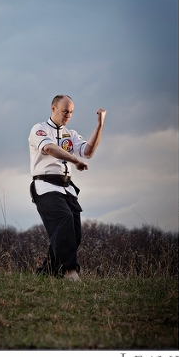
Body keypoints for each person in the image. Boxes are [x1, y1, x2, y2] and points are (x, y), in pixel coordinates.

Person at [29, 94, 107, 281]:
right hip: (46, 186)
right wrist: (74, 160)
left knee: (74, 231)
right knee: (63, 219)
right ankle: (69, 272)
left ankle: (48, 271)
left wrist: (100, 125)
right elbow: (50, 149)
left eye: (71, 113)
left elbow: (88, 151)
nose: (68, 116)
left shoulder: (70, 134)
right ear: (53, 108)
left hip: (67, 188)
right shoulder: (39, 129)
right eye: (65, 111)